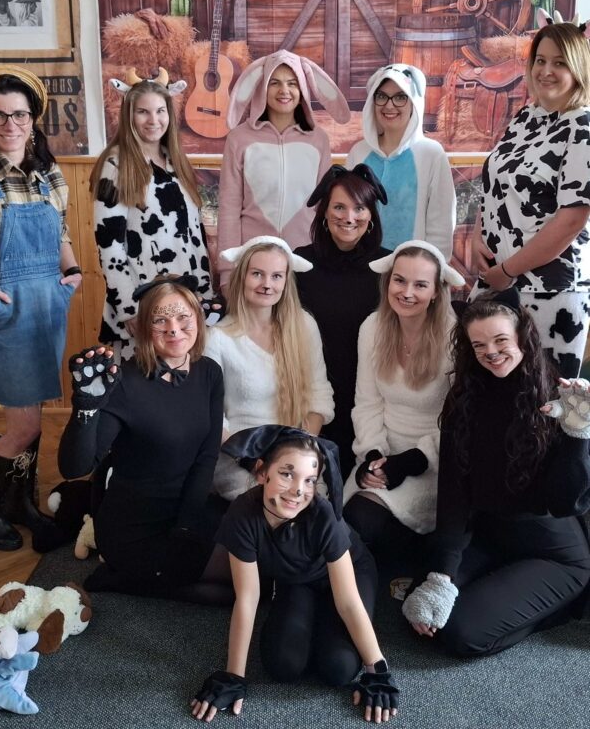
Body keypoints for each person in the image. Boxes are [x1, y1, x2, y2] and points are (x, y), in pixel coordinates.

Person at [402, 290, 590, 657]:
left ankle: (559, 607)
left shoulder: (555, 397)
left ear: (521, 336)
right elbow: (454, 494)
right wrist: (441, 575)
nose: (491, 351)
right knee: (421, 612)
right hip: (489, 536)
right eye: (479, 345)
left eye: (500, 340)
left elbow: (566, 503)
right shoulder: (463, 399)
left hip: (550, 550)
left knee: (461, 635)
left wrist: (577, 436)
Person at [191, 425, 399, 724]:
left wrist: (377, 670)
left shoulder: (323, 515)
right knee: (283, 665)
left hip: (348, 576)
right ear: (262, 472)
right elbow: (248, 598)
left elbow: (348, 601)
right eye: (287, 474)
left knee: (339, 668)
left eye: (309, 480)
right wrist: (233, 675)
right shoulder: (242, 513)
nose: (298, 490)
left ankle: (327, 627)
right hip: (297, 579)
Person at [58, 275, 224, 596]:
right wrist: (86, 407)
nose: (173, 329)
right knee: (227, 590)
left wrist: (187, 525)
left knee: (252, 568)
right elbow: (74, 468)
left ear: (198, 318)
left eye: (182, 317)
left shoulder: (209, 372)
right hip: (135, 528)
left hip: (185, 511)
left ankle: (149, 578)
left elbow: (207, 457)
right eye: (160, 320)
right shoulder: (124, 383)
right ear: (144, 328)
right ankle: (123, 578)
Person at [0, 65, 81, 551]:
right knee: (23, 426)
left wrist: (74, 271)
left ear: (32, 119)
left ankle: (20, 502)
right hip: (6, 309)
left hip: (47, 302)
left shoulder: (48, 173)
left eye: (19, 115)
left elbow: (61, 231)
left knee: (36, 414)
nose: (10, 124)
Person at [473, 10, 590, 378]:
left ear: (579, 68)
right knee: (488, 395)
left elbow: (571, 220)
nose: (546, 71)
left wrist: (508, 271)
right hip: (496, 281)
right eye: (540, 60)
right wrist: (478, 235)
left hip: (548, 292)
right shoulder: (526, 118)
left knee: (545, 401)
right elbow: (496, 183)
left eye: (559, 62)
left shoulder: (583, 127)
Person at [343, 241, 463, 562]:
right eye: (399, 280)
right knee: (349, 523)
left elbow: (460, 421)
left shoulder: (455, 337)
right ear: (388, 281)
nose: (407, 292)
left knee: (363, 524)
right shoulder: (372, 327)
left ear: (436, 291)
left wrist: (412, 461)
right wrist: (372, 455)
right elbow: (367, 403)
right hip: (383, 453)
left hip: (432, 461)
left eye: (420, 285)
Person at [90, 70, 218, 362]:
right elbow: (109, 246)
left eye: (160, 111)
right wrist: (128, 308)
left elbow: (194, 238)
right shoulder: (117, 165)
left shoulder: (176, 161)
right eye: (143, 112)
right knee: (144, 380)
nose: (153, 120)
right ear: (129, 115)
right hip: (144, 301)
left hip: (186, 302)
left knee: (186, 377)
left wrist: (205, 293)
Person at [204, 236, 334, 502]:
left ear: (286, 282)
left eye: (276, 276)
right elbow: (212, 415)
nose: (267, 284)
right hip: (240, 459)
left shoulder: (304, 326)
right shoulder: (218, 338)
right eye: (257, 274)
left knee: (315, 509)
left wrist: (302, 451)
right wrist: (252, 460)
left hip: (295, 453)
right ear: (241, 277)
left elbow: (318, 394)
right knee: (273, 506)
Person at [217, 50, 351, 290]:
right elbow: (229, 208)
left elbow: (324, 206)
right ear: (262, 88)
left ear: (303, 91)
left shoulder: (318, 140)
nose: (284, 90)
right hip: (253, 262)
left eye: (292, 83)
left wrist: (326, 260)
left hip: (306, 262)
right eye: (275, 83)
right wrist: (228, 273)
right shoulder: (238, 139)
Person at [295, 163, 390, 479]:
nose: (349, 217)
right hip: (313, 396)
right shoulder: (300, 263)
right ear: (324, 212)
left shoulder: (388, 266)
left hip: (370, 397)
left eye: (359, 208)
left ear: (371, 214)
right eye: (339, 207)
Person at [346, 64, 455, 260]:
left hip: (413, 269)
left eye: (400, 97)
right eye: (382, 96)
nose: (389, 106)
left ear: (414, 103)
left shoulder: (431, 154)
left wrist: (434, 268)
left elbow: (441, 223)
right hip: (361, 266)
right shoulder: (358, 153)